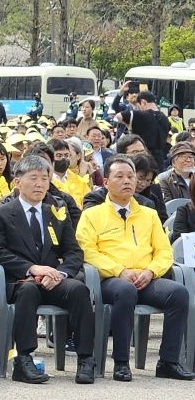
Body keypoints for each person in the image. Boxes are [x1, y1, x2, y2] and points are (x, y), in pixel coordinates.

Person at [77, 154, 195, 382]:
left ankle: (168, 361)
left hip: (146, 277)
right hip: (111, 279)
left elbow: (164, 251)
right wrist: (119, 270)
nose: (127, 181)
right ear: (105, 182)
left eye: (131, 176)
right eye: (119, 176)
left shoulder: (148, 214)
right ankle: (121, 362)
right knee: (125, 290)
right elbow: (87, 251)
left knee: (178, 293)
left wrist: (151, 271)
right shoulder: (92, 215)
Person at [0, 155, 95, 385]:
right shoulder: (2, 213)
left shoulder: (57, 210)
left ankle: (86, 358)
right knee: (28, 292)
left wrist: (61, 274)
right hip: (21, 281)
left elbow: (74, 251)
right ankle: (24, 360)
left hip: (53, 280)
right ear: (17, 182)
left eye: (44, 179)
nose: (40, 184)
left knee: (78, 290)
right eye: (33, 178)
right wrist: (32, 268)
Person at [114, 91, 170, 171]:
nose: (138, 108)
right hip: (160, 159)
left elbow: (118, 116)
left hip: (142, 160)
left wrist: (128, 125)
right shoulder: (165, 118)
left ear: (143, 102)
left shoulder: (139, 115)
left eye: (138, 106)